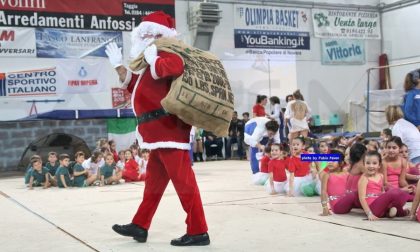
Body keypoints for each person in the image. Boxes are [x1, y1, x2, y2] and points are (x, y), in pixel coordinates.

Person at [106, 11, 209, 246]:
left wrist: (154, 59)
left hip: (169, 130)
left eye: (148, 33)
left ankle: (198, 230)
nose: (144, 37)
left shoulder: (169, 52)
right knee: (153, 184)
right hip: (156, 133)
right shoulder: (149, 60)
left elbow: (174, 68)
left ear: (159, 35)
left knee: (184, 184)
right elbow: (136, 87)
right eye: (142, 34)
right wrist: (118, 67)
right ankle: (140, 225)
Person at [358, 151, 409, 220]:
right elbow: (362, 198)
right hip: (372, 208)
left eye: (374, 163)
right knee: (394, 192)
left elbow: (382, 191)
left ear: (379, 165)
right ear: (364, 164)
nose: (371, 166)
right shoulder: (364, 179)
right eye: (368, 163)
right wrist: (369, 213)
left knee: (399, 196)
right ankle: (399, 212)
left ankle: (389, 213)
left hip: (381, 205)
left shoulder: (381, 176)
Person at [320, 150, 348, 216]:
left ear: (341, 163)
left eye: (333, 160)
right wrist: (325, 208)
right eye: (329, 160)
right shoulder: (327, 175)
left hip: (348, 205)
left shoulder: (346, 174)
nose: (330, 162)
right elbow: (323, 192)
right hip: (336, 206)